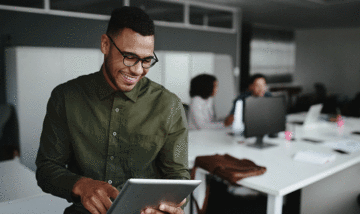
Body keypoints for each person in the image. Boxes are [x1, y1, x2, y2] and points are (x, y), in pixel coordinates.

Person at [35, 7, 189, 214]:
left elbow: (179, 177)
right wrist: (81, 185)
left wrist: (173, 204)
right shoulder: (65, 97)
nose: (137, 70)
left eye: (146, 60)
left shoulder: (169, 105)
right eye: (129, 56)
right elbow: (46, 169)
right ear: (105, 44)